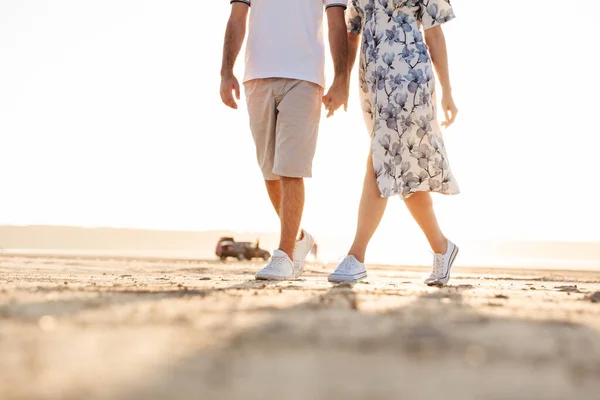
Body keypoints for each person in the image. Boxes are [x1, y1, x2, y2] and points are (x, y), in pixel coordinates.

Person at [328, 0, 460, 285]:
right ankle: (442, 247)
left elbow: (434, 34)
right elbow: (353, 34)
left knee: (381, 158)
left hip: (410, 78)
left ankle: (356, 256)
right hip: (374, 83)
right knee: (405, 170)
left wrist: (447, 90)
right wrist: (342, 81)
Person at [220, 0, 349, 280]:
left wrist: (342, 79)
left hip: (304, 78)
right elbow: (237, 18)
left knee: (291, 168)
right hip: (256, 77)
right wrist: (226, 71)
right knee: (270, 172)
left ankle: (285, 255)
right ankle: (300, 238)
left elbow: (337, 21)